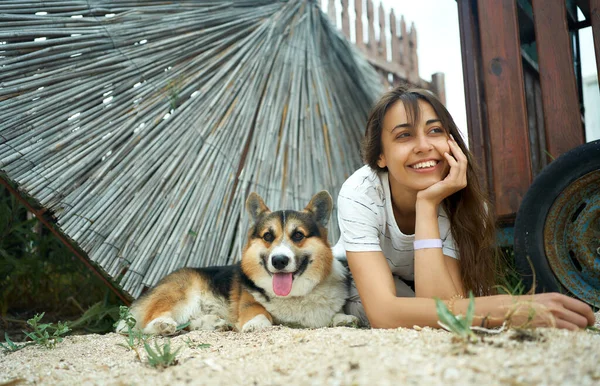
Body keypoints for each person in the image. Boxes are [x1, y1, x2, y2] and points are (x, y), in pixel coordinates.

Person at [336, 85, 595, 330]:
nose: (424, 146)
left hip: (410, 289)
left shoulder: (461, 202)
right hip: (353, 283)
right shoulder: (360, 194)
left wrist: (427, 205)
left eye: (435, 131)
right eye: (404, 135)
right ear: (380, 156)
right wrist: (512, 309)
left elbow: (446, 303)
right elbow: (383, 313)